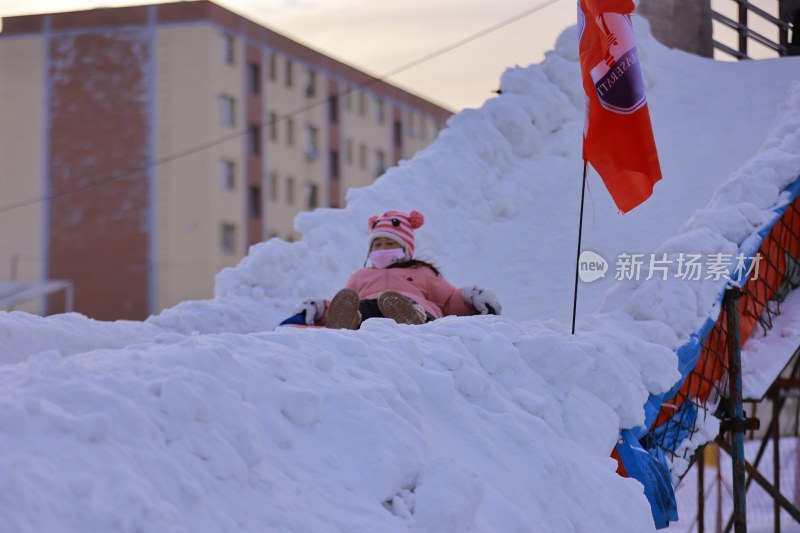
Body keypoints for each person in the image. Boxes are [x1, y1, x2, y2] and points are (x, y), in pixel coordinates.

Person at [285, 210, 501, 329]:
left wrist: (471, 297)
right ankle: (354, 320)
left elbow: (448, 299)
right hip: (370, 308)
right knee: (360, 303)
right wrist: (322, 307)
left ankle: (416, 317)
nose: (382, 249)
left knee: (402, 301)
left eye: (390, 244)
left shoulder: (420, 271)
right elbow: (343, 302)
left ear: (406, 249)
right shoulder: (361, 276)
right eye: (377, 245)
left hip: (411, 305)